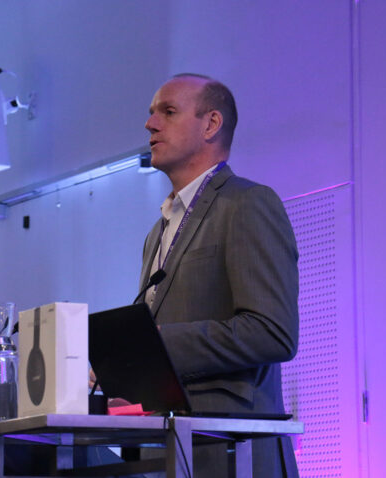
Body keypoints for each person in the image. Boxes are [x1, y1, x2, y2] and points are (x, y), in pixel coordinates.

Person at [140, 74, 300, 477]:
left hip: (234, 453)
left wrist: (157, 344)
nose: (150, 124)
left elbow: (272, 332)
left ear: (211, 124)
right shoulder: (157, 232)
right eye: (152, 113)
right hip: (171, 452)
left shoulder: (247, 203)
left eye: (168, 112)